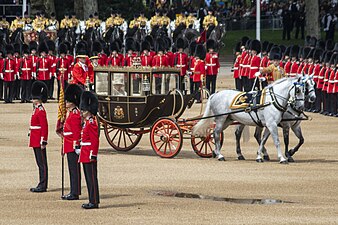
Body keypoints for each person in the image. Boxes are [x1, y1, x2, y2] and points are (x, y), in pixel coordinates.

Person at [61, 84, 83, 200]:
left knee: (74, 170)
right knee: (72, 169)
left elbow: (76, 132)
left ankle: (75, 192)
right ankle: (74, 190)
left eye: (68, 102)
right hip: (68, 144)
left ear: (72, 102)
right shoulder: (72, 113)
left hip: (72, 145)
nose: (66, 103)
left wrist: (76, 145)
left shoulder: (75, 115)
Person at [79, 91, 100, 209]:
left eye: (84, 110)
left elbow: (94, 141)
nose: (82, 112)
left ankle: (94, 201)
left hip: (89, 154)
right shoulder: (87, 122)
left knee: (92, 179)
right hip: (85, 153)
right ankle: (92, 199)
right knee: (88, 178)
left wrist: (93, 154)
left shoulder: (91, 123)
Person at [29, 81, 49, 193]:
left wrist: (43, 141)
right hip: (34, 138)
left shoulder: (40, 110)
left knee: (42, 163)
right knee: (39, 163)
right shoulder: (36, 109)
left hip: (38, 139)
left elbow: (44, 127)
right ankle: (41, 183)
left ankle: (43, 184)